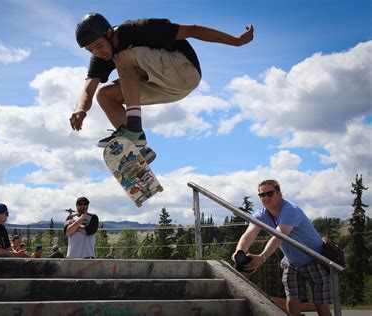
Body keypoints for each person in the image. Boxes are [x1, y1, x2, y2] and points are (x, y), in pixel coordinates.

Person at [70, 13, 254, 163]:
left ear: (110, 33)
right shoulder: (100, 56)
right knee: (104, 95)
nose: (98, 53)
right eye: (91, 50)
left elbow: (192, 30)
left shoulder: (138, 29)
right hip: (166, 88)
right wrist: (80, 110)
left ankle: (134, 130)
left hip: (184, 70)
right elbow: (89, 88)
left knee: (124, 58)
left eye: (99, 46)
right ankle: (140, 149)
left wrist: (236, 41)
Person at [232, 180, 331, 316]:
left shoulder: (290, 210)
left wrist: (262, 257)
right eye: (262, 195)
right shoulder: (261, 214)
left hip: (315, 257)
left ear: (279, 194)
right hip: (292, 261)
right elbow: (249, 234)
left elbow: (280, 235)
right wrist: (240, 252)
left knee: (321, 305)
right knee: (292, 300)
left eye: (269, 193)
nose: (266, 198)